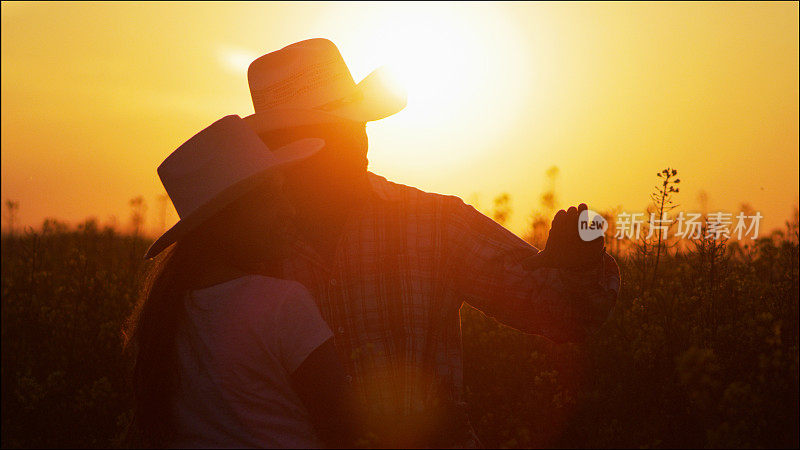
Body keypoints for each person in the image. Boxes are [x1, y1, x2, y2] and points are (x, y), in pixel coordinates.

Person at [242, 38, 621, 448]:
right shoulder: (248, 249)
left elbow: (565, 314)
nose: (358, 143)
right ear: (287, 151)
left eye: (358, 124)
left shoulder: (436, 224)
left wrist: (580, 265)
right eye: (332, 132)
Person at [123, 115, 357, 448]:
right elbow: (345, 430)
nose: (290, 210)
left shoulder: (166, 312)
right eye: (273, 196)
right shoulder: (282, 303)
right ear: (232, 217)